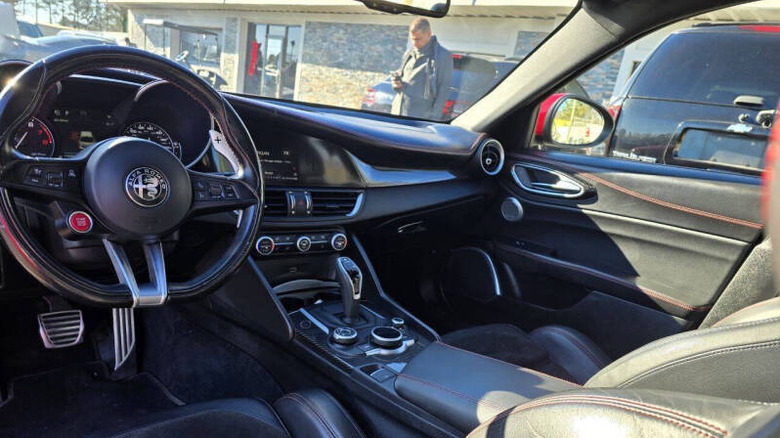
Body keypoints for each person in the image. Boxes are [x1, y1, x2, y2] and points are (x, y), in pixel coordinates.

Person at [391, 18, 453, 121]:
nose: (414, 43)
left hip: (418, 121)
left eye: (418, 39)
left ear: (429, 34)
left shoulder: (442, 56)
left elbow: (443, 90)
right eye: (412, 39)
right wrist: (396, 83)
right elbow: (402, 82)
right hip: (396, 114)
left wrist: (432, 120)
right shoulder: (409, 54)